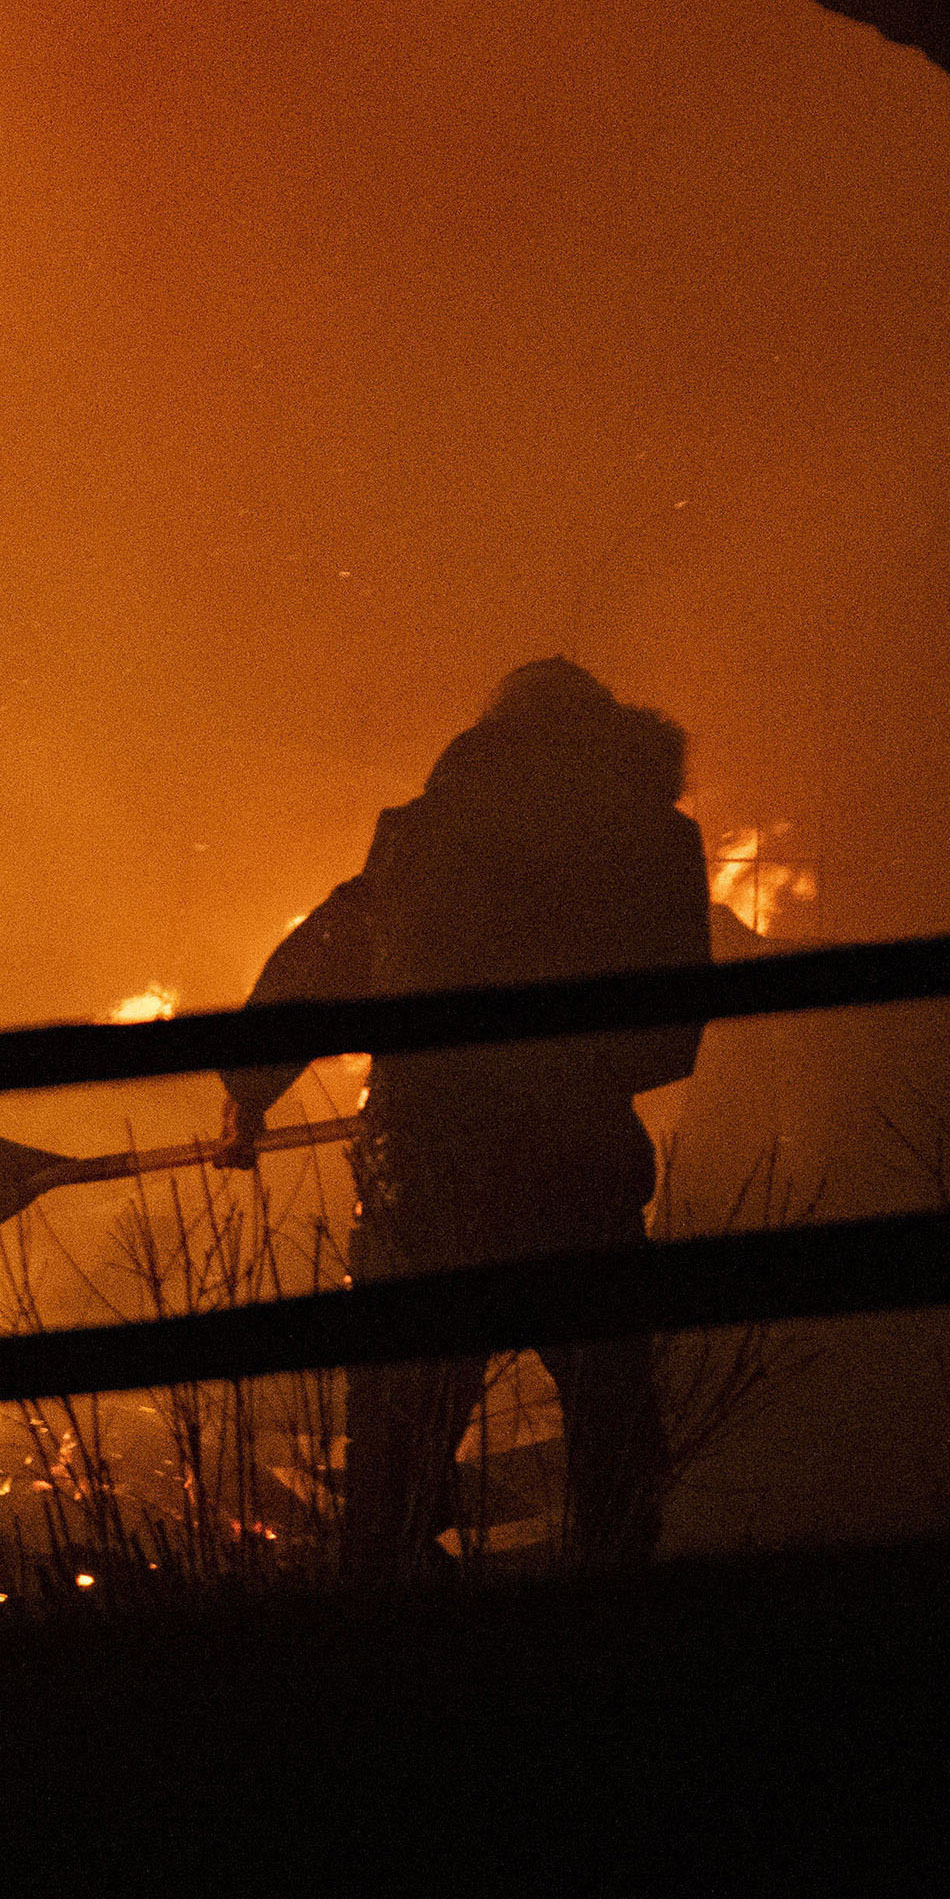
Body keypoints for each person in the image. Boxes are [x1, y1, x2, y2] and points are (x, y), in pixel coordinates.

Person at [219, 657, 717, 1573]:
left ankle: (391, 1610)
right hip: (579, 1177)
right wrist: (566, 1077)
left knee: (398, 1449)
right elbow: (670, 1035)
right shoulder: (656, 846)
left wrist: (248, 1092)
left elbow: (325, 955)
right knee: (614, 1436)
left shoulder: (423, 836)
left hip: (428, 1174)